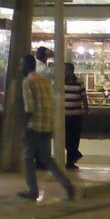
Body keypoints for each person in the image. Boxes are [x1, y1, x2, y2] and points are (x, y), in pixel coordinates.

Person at [19, 51, 76, 202]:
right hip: (47, 123)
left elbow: (29, 108)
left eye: (21, 65)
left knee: (27, 157)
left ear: (26, 66)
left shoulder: (27, 82)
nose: (20, 68)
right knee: (46, 157)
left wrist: (24, 128)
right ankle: (66, 183)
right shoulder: (43, 80)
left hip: (34, 125)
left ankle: (33, 190)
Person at [58, 53, 88, 169]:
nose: (64, 72)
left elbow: (83, 96)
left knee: (74, 138)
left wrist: (86, 110)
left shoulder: (79, 81)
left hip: (76, 115)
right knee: (65, 138)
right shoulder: (60, 82)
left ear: (71, 71)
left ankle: (70, 162)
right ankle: (75, 154)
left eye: (66, 70)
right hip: (64, 115)